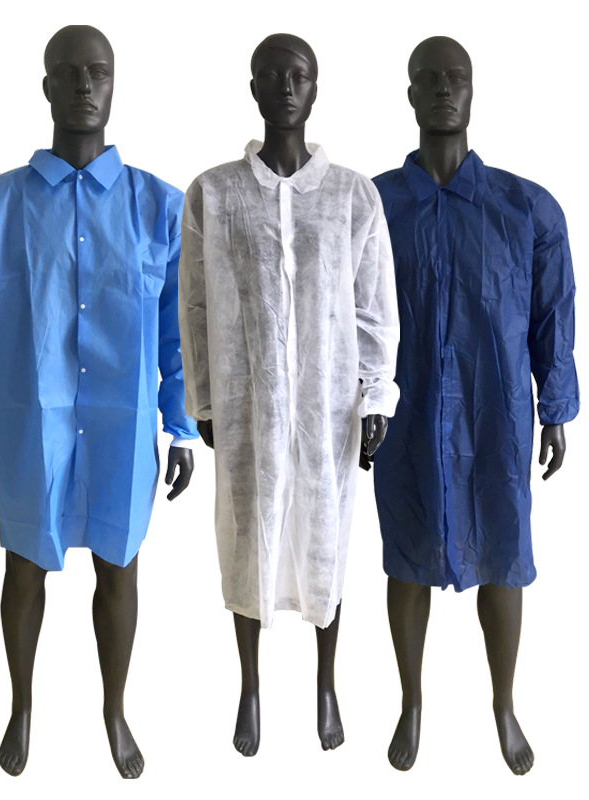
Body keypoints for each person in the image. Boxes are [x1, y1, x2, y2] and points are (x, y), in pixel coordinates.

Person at [0, 25, 198, 779]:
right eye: (69, 72)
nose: (85, 84)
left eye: (99, 71)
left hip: (124, 429)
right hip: (32, 427)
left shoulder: (159, 208)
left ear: (114, 84)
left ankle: (114, 710)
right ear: (46, 86)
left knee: (120, 568)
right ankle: (22, 704)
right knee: (26, 567)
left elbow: (182, 324)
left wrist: (181, 425)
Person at [178, 33, 399, 757]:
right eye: (270, 75)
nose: (284, 86)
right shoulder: (214, 192)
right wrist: (204, 400)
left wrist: (375, 396)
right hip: (247, 404)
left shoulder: (352, 195)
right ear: (252, 87)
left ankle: (326, 684)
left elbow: (373, 306)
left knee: (326, 537)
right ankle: (249, 686)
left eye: (297, 75)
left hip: (327, 407)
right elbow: (195, 306)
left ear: (315, 87)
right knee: (248, 538)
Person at [372, 35, 579, 775]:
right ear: (409, 94)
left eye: (455, 77)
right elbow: (347, 315)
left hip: (497, 409)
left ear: (472, 89)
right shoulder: (375, 205)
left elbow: (553, 314)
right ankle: (411, 701)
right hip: (403, 410)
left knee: (505, 551)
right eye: (428, 78)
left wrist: (555, 407)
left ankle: (504, 703)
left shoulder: (526, 208)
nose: (442, 89)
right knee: (406, 550)